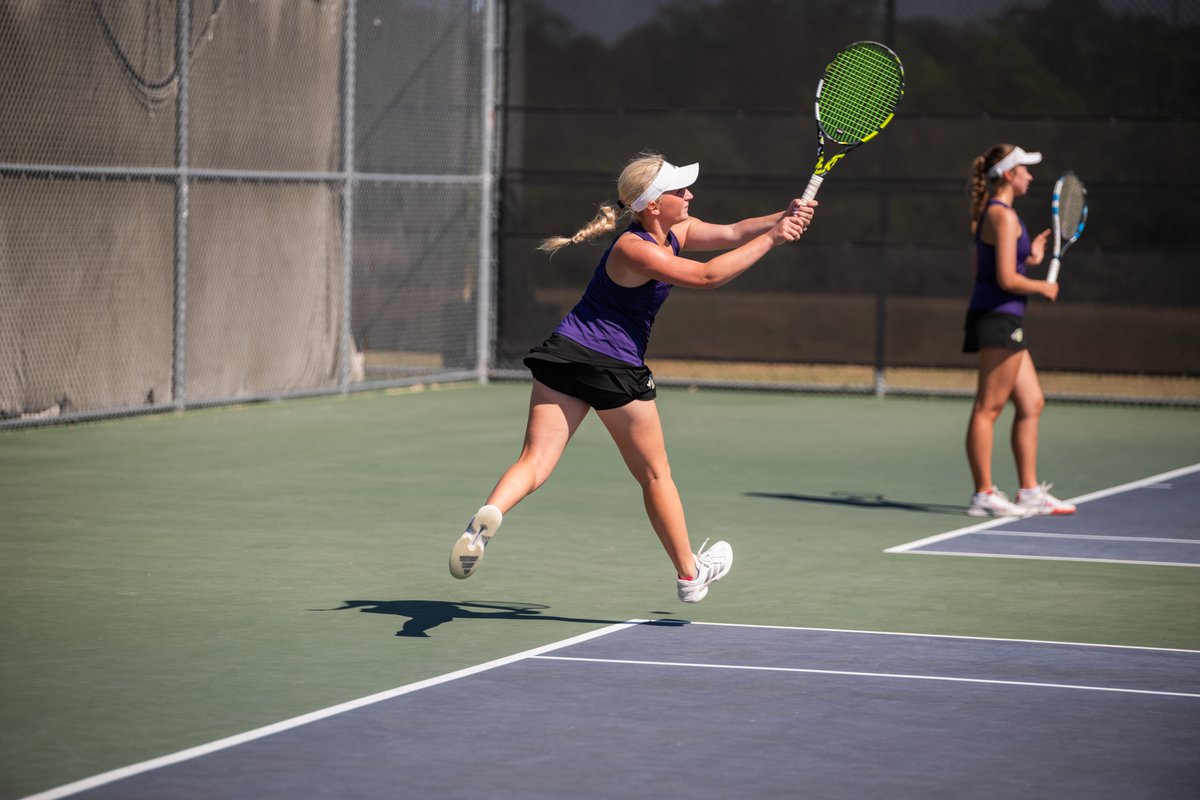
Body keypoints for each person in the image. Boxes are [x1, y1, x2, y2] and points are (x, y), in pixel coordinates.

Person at [449, 152, 816, 602]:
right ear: (652, 206)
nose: (689, 194)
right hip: (614, 367)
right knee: (656, 476)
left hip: (565, 353)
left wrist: (784, 216)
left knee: (535, 461)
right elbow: (706, 276)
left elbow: (736, 231)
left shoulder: (675, 230)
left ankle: (484, 521)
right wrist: (774, 239)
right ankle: (689, 575)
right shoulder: (634, 248)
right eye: (679, 190)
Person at [963, 143, 1076, 518]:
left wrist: (1031, 258)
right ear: (1009, 175)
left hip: (1005, 317)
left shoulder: (1001, 214)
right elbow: (1005, 278)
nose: (1030, 174)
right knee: (988, 408)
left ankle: (1029, 492)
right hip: (997, 318)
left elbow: (1003, 266)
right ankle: (983, 494)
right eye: (1025, 169)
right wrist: (1041, 285)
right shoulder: (1002, 216)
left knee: (1031, 403)